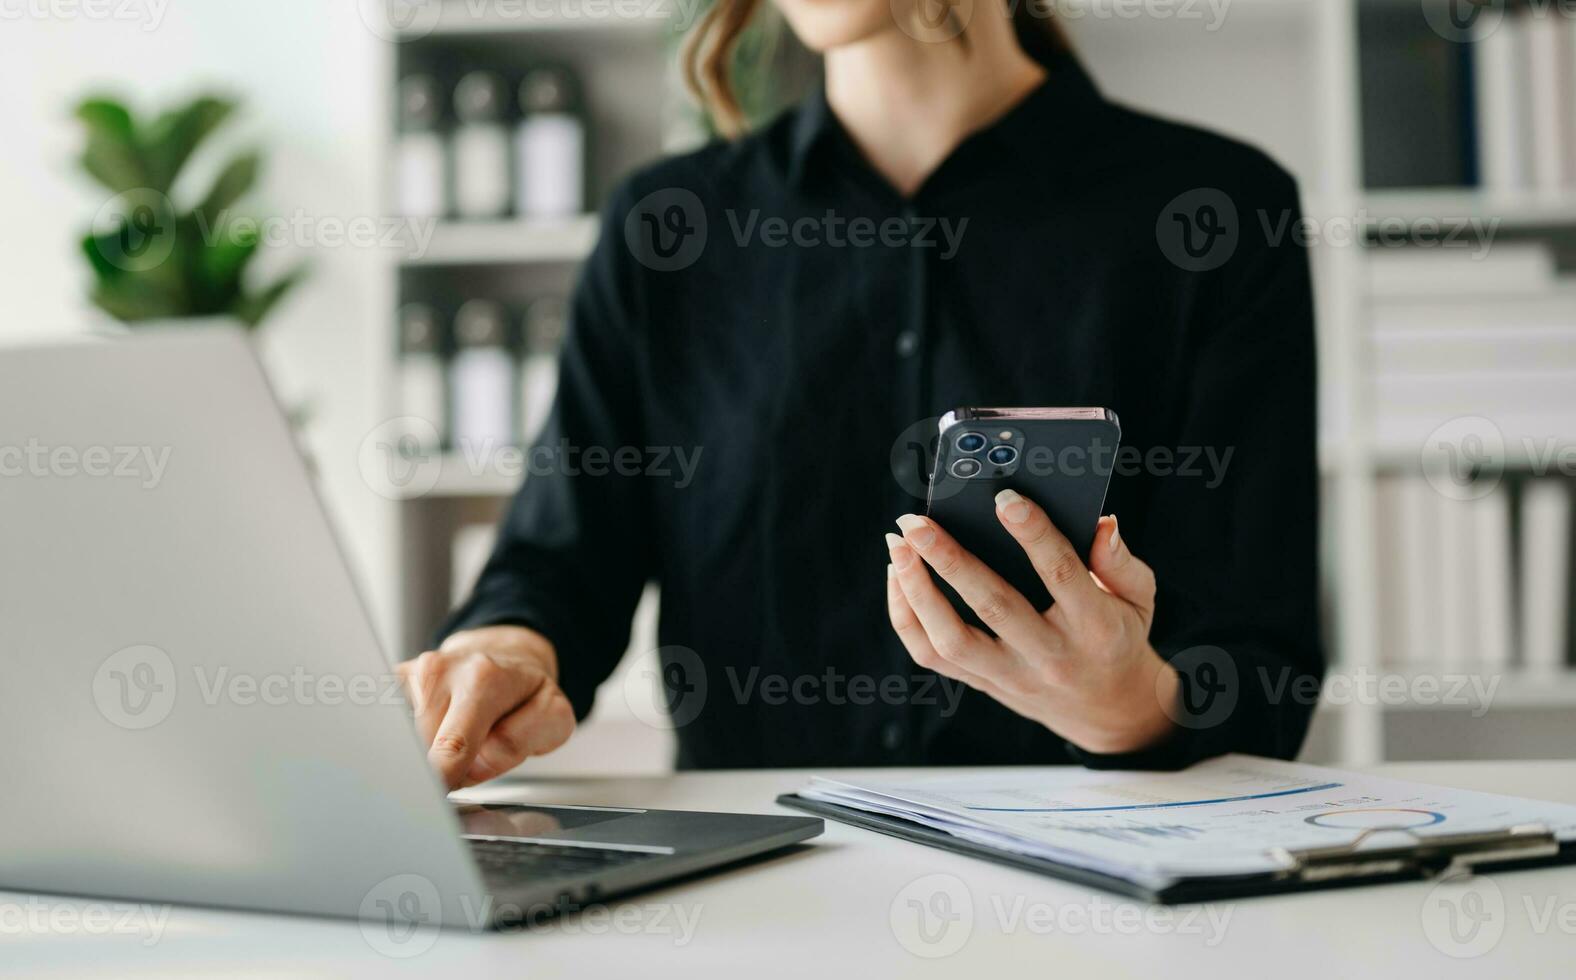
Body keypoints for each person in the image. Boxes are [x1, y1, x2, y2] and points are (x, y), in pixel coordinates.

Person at [398, 0, 1324, 789]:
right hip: (755, 908)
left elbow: (1260, 659)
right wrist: (511, 652)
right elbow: (559, 565)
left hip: (1094, 906)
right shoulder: (665, 232)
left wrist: (1130, 711)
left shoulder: (1219, 216)